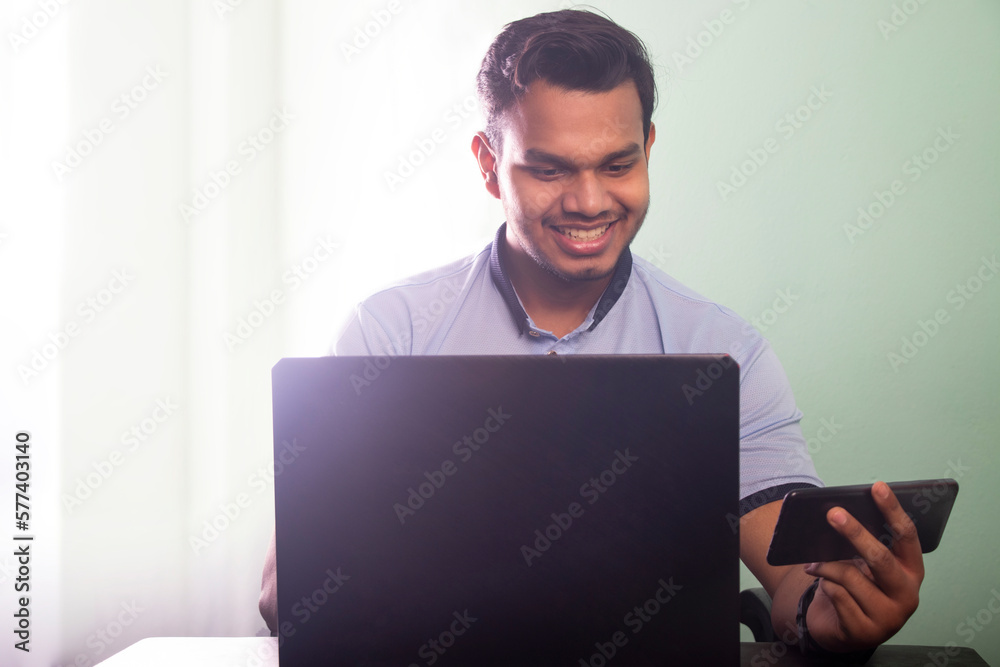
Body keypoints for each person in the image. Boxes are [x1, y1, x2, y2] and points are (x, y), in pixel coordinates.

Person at [260, 9, 922, 659]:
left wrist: (830, 615)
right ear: (488, 164)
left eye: (617, 165)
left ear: (648, 150)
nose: (589, 202)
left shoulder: (726, 351)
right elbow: (289, 594)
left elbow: (794, 583)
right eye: (549, 169)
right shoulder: (390, 335)